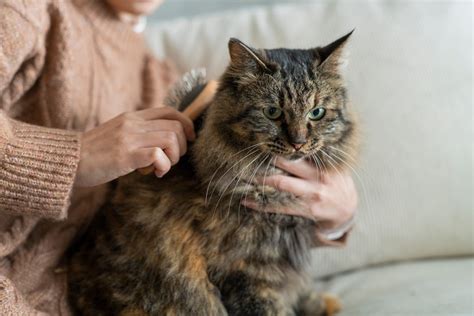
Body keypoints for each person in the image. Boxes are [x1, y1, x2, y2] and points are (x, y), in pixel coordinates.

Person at [0, 0, 357, 314]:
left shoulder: (153, 73)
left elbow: (233, 233)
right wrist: (76, 157)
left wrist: (338, 216)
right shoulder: (25, 12)